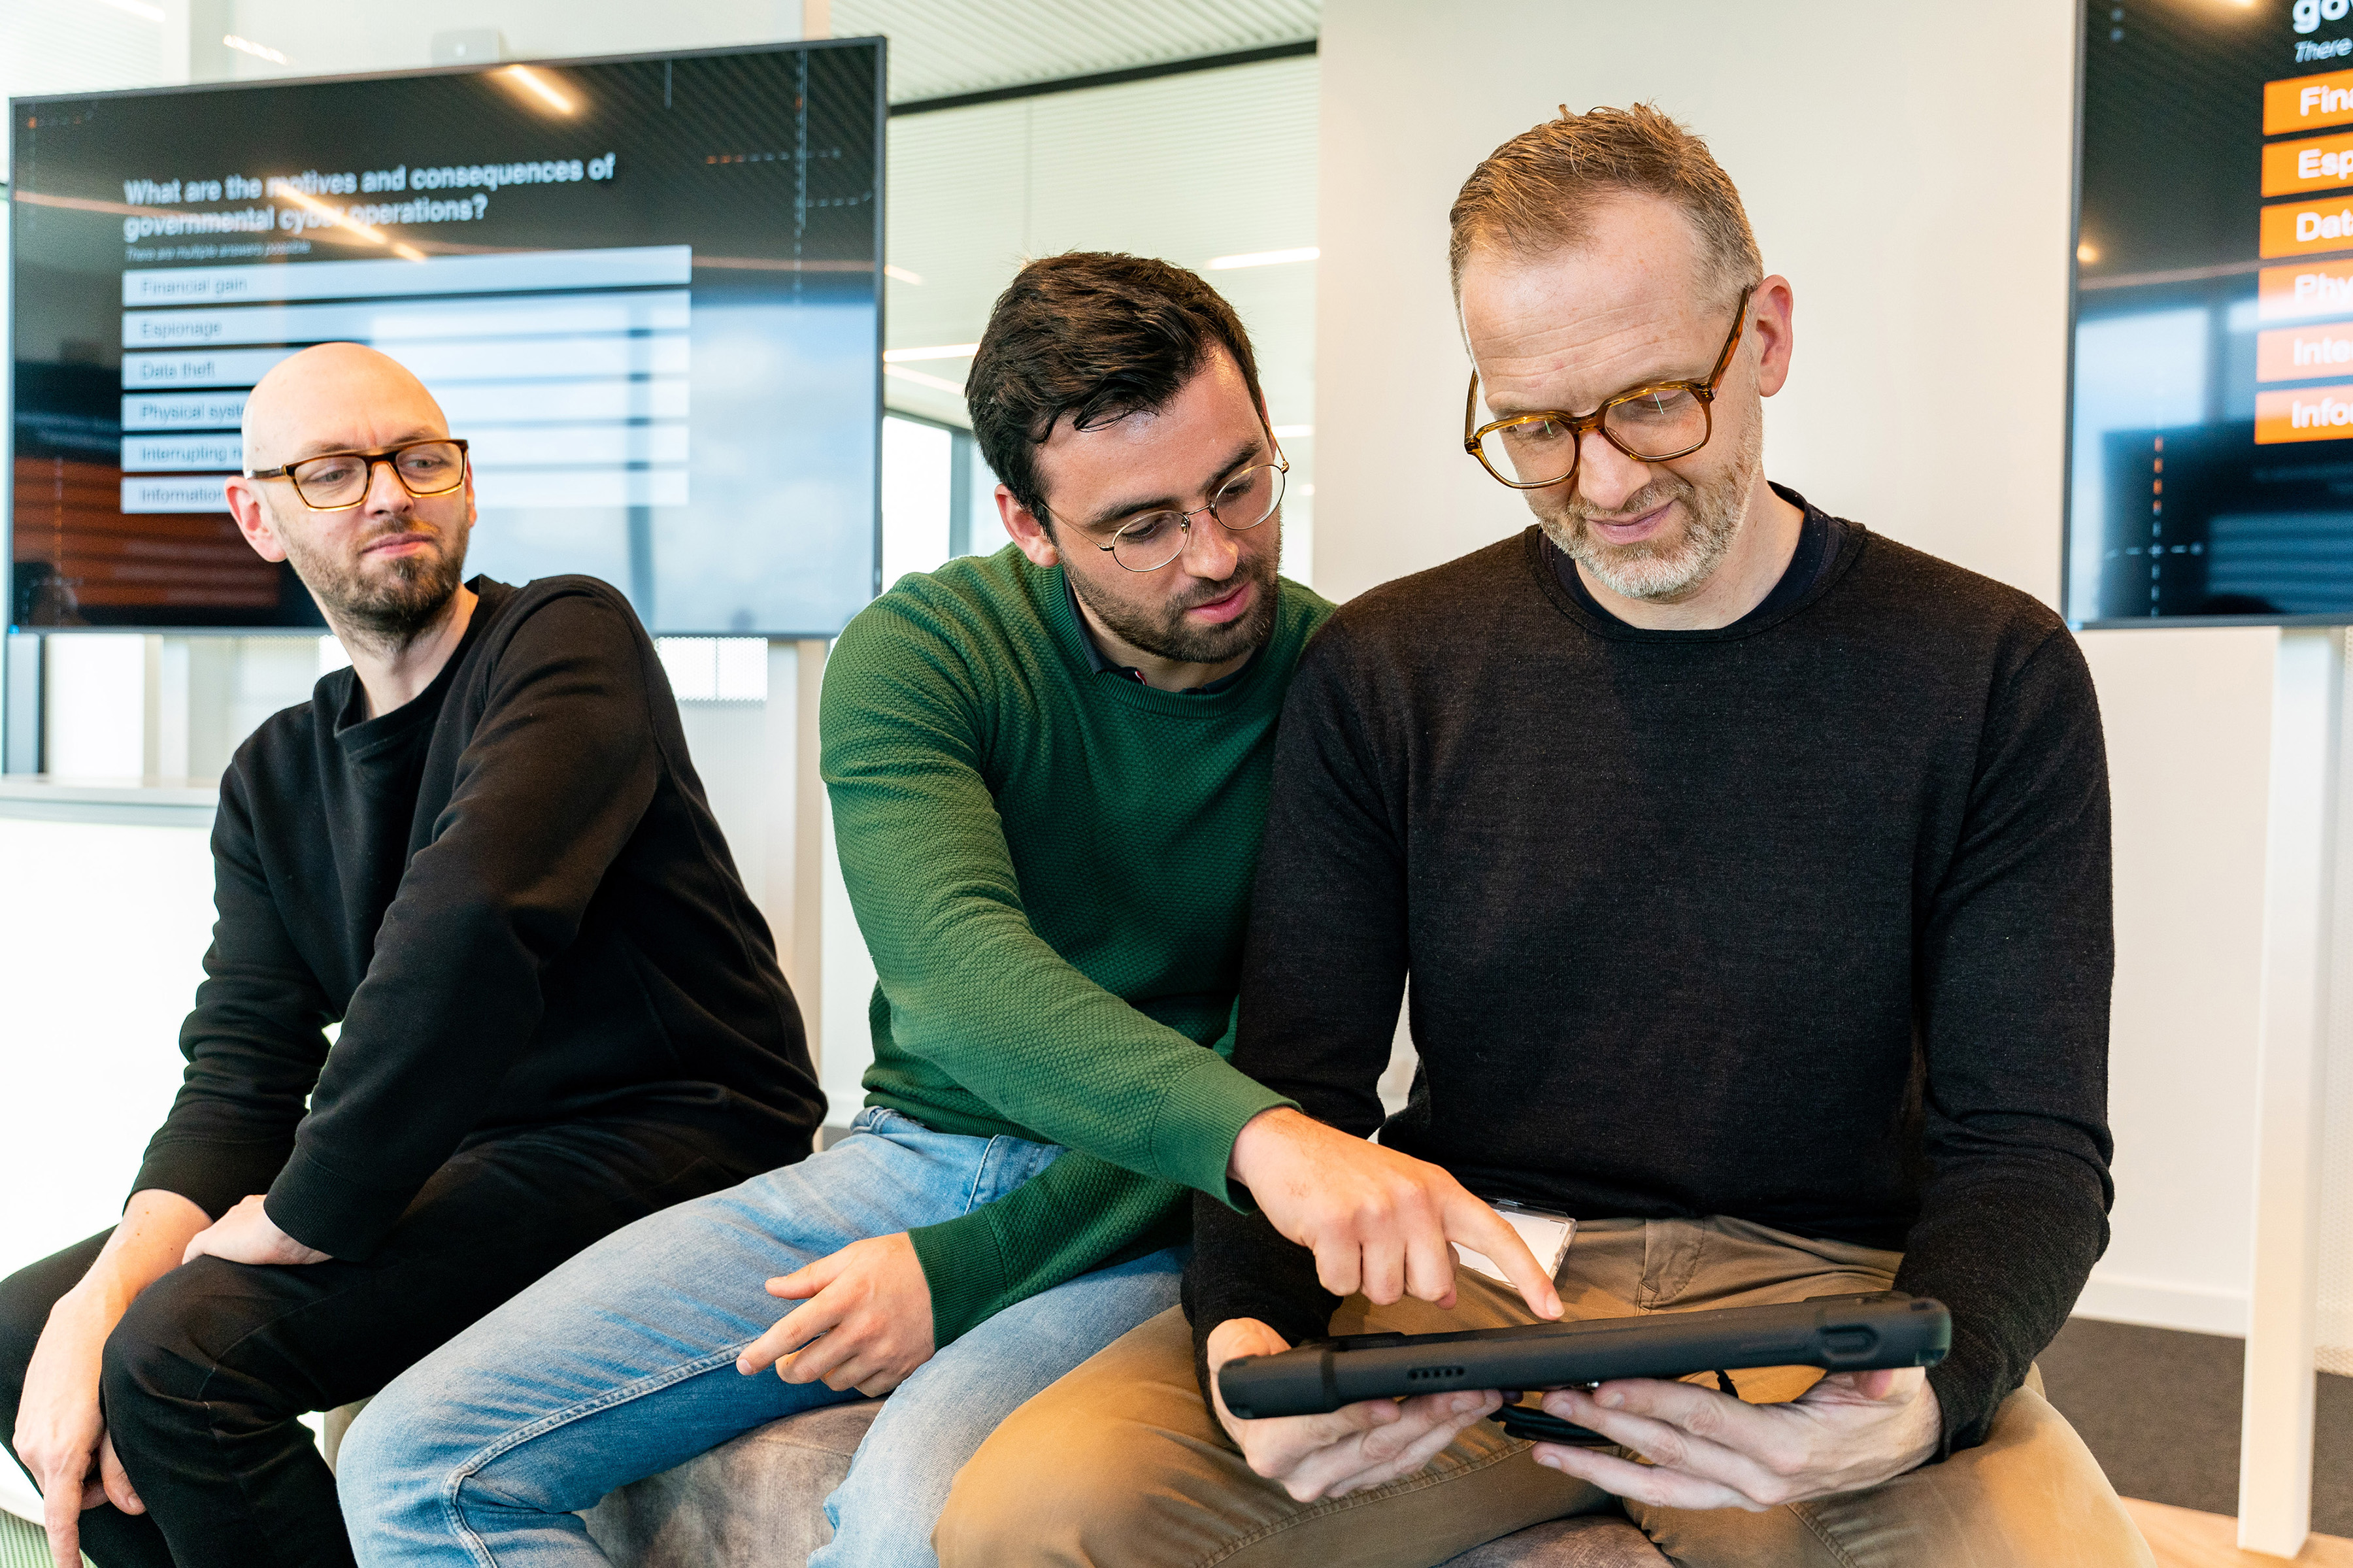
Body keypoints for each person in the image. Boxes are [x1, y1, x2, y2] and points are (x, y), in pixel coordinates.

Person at [936, 107, 2154, 1568]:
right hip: (1466, 1274)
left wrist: (1930, 1403)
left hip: (1825, 1295)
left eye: (1655, 401)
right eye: (1533, 428)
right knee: (1037, 1517)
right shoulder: (1392, 670)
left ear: (1765, 337)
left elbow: (2028, 1144)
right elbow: (1298, 1082)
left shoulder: (1989, 672)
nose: (1606, 482)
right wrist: (1249, 1334)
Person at [336, 253, 1546, 1568]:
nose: (1217, 554)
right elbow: (963, 982)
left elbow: (1288, 1062)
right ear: (1028, 522)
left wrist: (970, 1269)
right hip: (914, 1157)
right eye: (1141, 526)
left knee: (914, 1528)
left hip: (1168, 1198)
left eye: (1240, 484)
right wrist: (947, 1246)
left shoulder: (1343, 683)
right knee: (413, 1466)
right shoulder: (924, 653)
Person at [0, 342, 826, 1568]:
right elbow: (242, 1067)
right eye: (332, 471)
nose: (389, 493)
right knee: (30, 1329)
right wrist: (107, 1282)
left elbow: (475, 917)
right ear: (258, 517)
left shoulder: (567, 638)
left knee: (185, 1353)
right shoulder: (277, 775)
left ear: (467, 486)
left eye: (419, 460)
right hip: (471, 1152)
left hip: (674, 1133)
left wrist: (310, 1210)